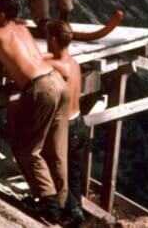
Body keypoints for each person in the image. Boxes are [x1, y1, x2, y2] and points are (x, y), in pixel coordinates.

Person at [0, 0, 69, 224]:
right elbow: (17, 62)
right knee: (55, 149)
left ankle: (49, 206)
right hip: (57, 80)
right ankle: (63, 206)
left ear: (1, 14)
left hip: (40, 88)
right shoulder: (23, 29)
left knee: (27, 150)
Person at [46, 21, 87, 227]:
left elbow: (32, 62)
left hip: (67, 128)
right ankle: (74, 212)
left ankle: (72, 210)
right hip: (80, 123)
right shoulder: (73, 63)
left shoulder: (56, 65)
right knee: (73, 174)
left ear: (53, 40)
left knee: (57, 172)